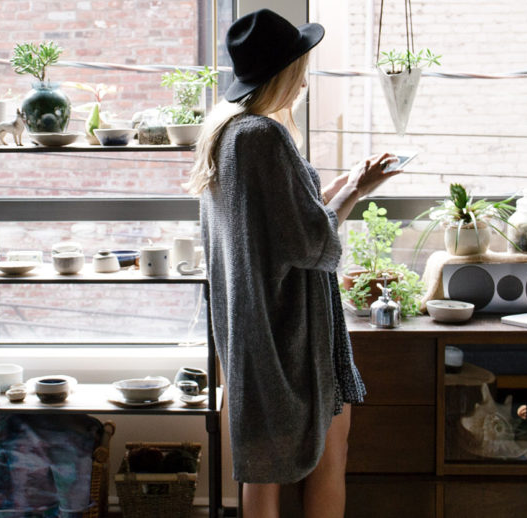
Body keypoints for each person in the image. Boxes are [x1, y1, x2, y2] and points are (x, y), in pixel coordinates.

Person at [185, 9, 401, 518]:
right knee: (329, 453)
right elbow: (312, 241)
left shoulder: (227, 133)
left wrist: (345, 185)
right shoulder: (264, 135)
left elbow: (279, 220)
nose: (305, 76)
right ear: (284, 71)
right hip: (291, 335)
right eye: (300, 65)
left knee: (262, 467)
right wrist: (359, 191)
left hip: (251, 332)